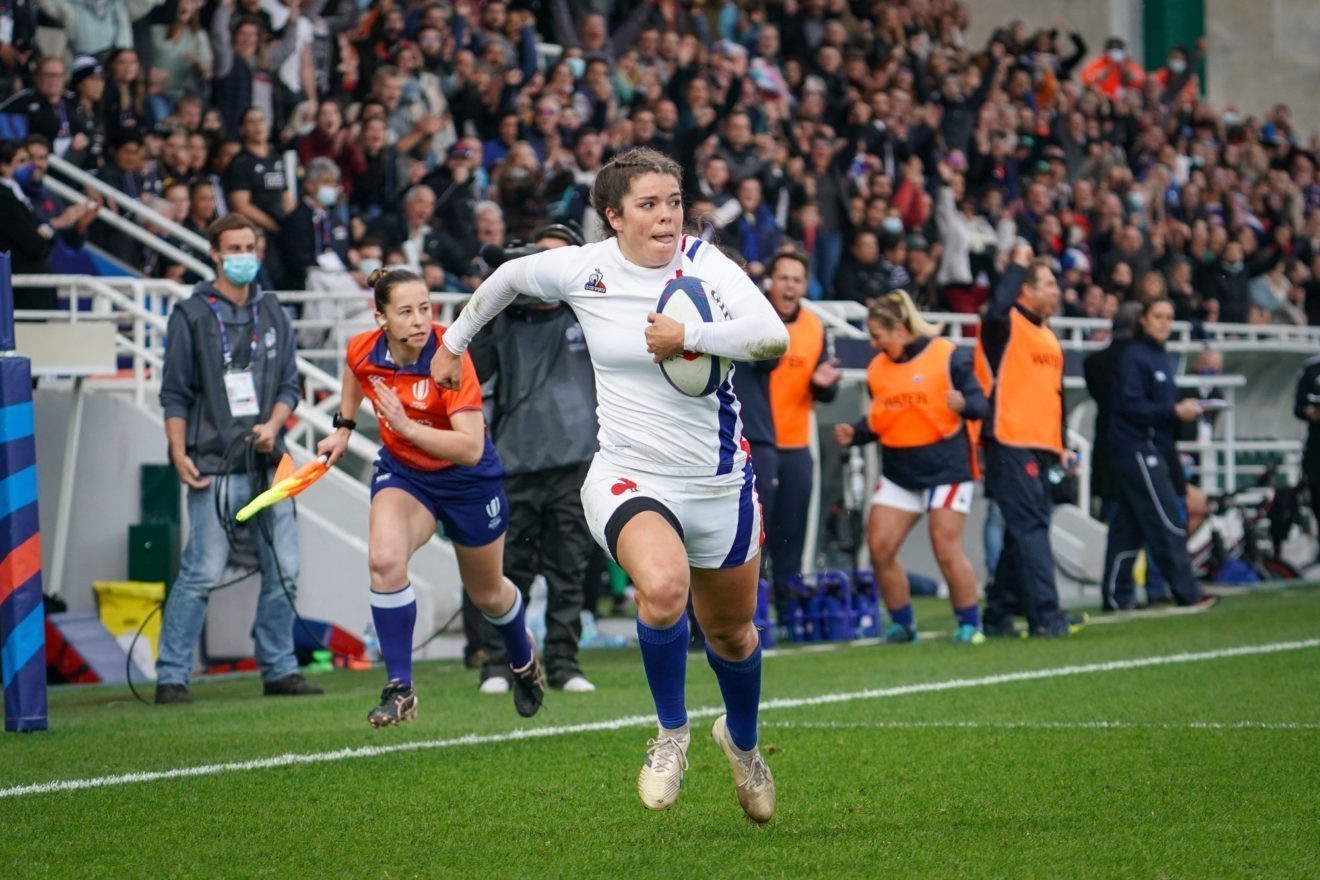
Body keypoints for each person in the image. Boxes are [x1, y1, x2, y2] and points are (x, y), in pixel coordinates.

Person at [431, 147, 787, 823]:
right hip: (629, 472)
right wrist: (452, 343)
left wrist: (692, 334)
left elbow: (772, 339)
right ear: (613, 215)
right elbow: (506, 279)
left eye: (674, 202)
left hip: (718, 481)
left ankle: (742, 745)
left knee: (733, 635)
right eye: (648, 205)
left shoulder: (705, 265)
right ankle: (672, 733)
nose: (665, 217)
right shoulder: (583, 268)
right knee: (661, 588)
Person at [316, 267, 544, 727]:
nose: (420, 320)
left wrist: (404, 426)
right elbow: (354, 373)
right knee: (384, 561)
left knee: (488, 595)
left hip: (468, 482)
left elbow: (469, 447)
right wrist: (342, 429)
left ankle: (522, 658)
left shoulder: (449, 356)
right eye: (406, 312)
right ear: (380, 317)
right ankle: (400, 689)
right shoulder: (364, 348)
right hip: (406, 476)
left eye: (425, 308)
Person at [155, 214, 323, 703]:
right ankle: (171, 674)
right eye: (234, 247)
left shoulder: (274, 313)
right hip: (211, 461)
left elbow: (291, 385)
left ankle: (278, 668)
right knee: (204, 569)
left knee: (286, 567)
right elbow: (174, 393)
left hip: (272, 464)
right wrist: (176, 450)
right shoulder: (190, 313)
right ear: (214, 253)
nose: (244, 255)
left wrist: (273, 426)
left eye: (250, 246)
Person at [465, 222, 598, 695]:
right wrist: (493, 298)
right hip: (516, 462)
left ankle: (564, 663)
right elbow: (473, 372)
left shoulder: (589, 312)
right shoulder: (503, 319)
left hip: (575, 462)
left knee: (569, 571)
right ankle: (501, 664)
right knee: (509, 571)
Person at [833, 291, 989, 644]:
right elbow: (881, 420)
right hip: (900, 472)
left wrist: (964, 403)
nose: (873, 343)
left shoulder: (947, 355)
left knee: (945, 547)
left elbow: (981, 404)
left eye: (877, 335)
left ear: (900, 329)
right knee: (880, 548)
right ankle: (902, 624)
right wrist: (854, 433)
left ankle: (969, 623)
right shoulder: (878, 370)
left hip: (946, 469)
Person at [974, 244, 1087, 638]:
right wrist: (1017, 263)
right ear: (1025, 289)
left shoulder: (1048, 337)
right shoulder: (1005, 327)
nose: (1057, 291)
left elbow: (1056, 397)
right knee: (1032, 526)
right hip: (1008, 441)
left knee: (1021, 529)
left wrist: (1061, 446)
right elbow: (992, 310)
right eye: (1048, 283)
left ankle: (999, 615)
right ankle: (1046, 616)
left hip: (1040, 445)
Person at [1099, 298, 1217, 611]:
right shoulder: (1134, 357)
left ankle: (1116, 595)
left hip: (1151, 449)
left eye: (1169, 316)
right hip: (1137, 448)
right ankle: (1187, 592)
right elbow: (1129, 406)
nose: (1165, 322)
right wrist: (1174, 411)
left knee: (1128, 527)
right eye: (1158, 316)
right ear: (1144, 321)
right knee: (1168, 520)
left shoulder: (1161, 357)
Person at [764, 251, 841, 621]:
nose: (790, 286)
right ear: (771, 282)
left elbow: (824, 391)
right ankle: (745, 612)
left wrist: (823, 385)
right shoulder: (753, 318)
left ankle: (789, 612)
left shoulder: (815, 327)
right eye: (784, 278)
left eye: (796, 280)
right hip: (754, 446)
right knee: (751, 538)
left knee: (790, 535)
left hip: (795, 447)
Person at [1292, 354, 1320, 561]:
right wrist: (1310, 412)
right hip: (1316, 445)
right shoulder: (1311, 368)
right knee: (1317, 497)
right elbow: (1299, 407)